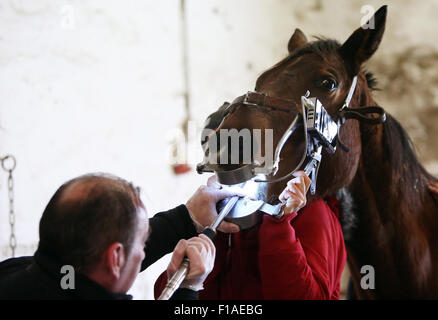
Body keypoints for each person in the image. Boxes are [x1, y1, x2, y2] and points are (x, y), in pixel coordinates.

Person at [0, 173, 239, 300]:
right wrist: (188, 289)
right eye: (142, 243)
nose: (144, 251)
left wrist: (186, 218)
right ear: (115, 257)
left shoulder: (35, 275)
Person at [155, 171, 347, 300]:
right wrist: (217, 237)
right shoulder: (224, 209)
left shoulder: (313, 211)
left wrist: (279, 224)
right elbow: (164, 291)